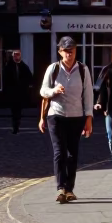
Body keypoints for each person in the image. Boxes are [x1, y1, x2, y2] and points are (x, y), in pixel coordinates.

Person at [39, 36, 94, 203]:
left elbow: (88, 96)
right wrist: (54, 90)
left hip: (76, 117)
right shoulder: (53, 69)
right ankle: (61, 188)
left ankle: (70, 189)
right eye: (67, 51)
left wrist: (88, 118)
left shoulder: (83, 70)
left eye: (73, 51)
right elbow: (43, 91)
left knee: (72, 154)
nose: (70, 54)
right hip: (56, 116)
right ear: (60, 52)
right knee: (59, 152)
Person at [3, 49, 34, 134]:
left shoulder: (24, 66)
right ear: (13, 56)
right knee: (14, 110)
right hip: (12, 92)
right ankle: (15, 126)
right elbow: (5, 80)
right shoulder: (8, 66)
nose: (16, 56)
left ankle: (17, 124)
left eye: (18, 55)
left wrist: (28, 86)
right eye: (15, 55)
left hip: (20, 92)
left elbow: (29, 77)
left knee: (18, 110)